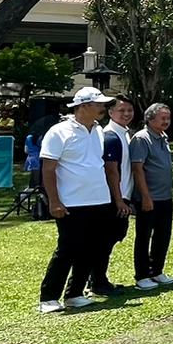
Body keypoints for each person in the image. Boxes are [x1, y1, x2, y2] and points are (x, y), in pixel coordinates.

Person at [37, 87, 116, 313]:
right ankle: (49, 298)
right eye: (99, 104)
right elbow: (48, 169)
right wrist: (54, 201)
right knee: (68, 249)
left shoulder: (98, 130)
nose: (103, 108)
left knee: (91, 248)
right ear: (83, 106)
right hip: (71, 202)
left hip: (98, 199)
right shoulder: (59, 131)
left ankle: (74, 294)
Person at [129, 103, 173, 290]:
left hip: (164, 197)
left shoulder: (163, 137)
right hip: (148, 198)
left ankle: (156, 271)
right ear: (150, 119)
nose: (166, 121)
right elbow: (137, 169)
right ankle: (142, 275)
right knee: (144, 238)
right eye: (162, 118)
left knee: (163, 236)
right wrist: (145, 196)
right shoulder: (141, 138)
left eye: (168, 117)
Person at [93, 94, 135, 295]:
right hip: (113, 199)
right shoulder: (110, 136)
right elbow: (111, 171)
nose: (126, 114)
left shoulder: (125, 133)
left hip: (123, 196)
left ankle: (99, 279)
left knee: (112, 239)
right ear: (110, 112)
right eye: (121, 110)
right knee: (104, 241)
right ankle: (98, 282)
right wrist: (119, 201)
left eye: (129, 110)